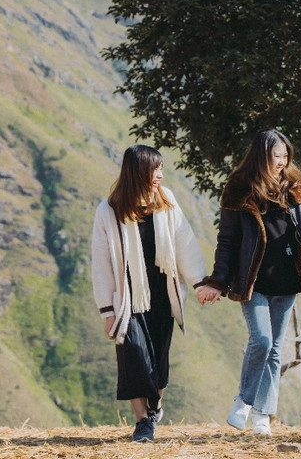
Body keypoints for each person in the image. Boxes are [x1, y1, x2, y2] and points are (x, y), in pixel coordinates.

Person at [194, 129, 301, 436]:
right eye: (275, 156)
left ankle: (262, 417)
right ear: (260, 155)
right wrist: (217, 281)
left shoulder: (295, 184)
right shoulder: (239, 186)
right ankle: (244, 401)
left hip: (287, 278)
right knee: (262, 341)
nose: (281, 162)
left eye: (285, 156)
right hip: (252, 280)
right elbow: (227, 239)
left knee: (276, 349)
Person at [90, 145, 207, 443]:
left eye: (160, 168)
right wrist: (108, 311)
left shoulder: (166, 200)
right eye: (155, 169)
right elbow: (100, 260)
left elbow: (184, 241)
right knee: (133, 352)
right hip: (129, 296)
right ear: (138, 171)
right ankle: (143, 422)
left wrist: (199, 282)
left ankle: (154, 409)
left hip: (162, 289)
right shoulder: (109, 211)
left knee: (158, 358)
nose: (160, 175)